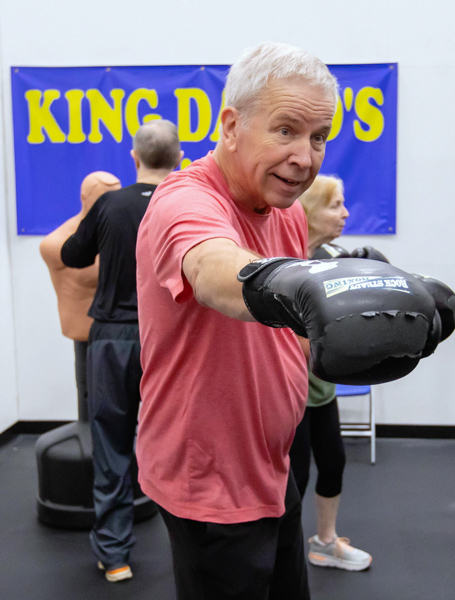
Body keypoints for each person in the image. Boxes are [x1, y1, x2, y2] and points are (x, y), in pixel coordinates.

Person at [134, 42, 337, 600]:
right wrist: (319, 289)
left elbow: (291, 333)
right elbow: (215, 270)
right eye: (286, 130)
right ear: (230, 124)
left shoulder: (286, 211)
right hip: (212, 484)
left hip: (272, 468)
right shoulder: (186, 201)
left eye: (319, 137)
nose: (305, 156)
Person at [60, 120, 183, 582]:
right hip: (167, 341)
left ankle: (115, 558)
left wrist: (94, 218)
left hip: (113, 339)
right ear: (178, 159)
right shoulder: (183, 204)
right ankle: (189, 550)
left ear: (134, 158)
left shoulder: (110, 203)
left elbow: (72, 255)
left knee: (112, 442)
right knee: (175, 442)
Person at [288, 175, 372, 572]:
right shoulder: (284, 265)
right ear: (308, 209)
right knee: (295, 476)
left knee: (334, 461)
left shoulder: (334, 259)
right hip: (288, 393)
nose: (345, 213)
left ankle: (324, 541)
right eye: (335, 205)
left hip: (322, 389)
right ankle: (278, 555)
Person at [40, 171, 122, 418]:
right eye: (102, 199)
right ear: (84, 198)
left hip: (126, 332)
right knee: (93, 401)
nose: (110, 205)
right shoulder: (57, 243)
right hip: (87, 330)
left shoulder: (123, 232)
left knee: (125, 398)